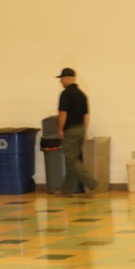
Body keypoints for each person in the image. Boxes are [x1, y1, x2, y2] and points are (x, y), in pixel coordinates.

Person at [55, 68, 99, 198]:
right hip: (80, 129)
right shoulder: (82, 95)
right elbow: (86, 115)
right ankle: (66, 190)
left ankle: (92, 184)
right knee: (71, 160)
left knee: (72, 159)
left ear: (68, 79)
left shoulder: (65, 94)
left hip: (70, 130)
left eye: (62, 79)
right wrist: (84, 131)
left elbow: (63, 114)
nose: (61, 82)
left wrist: (60, 129)